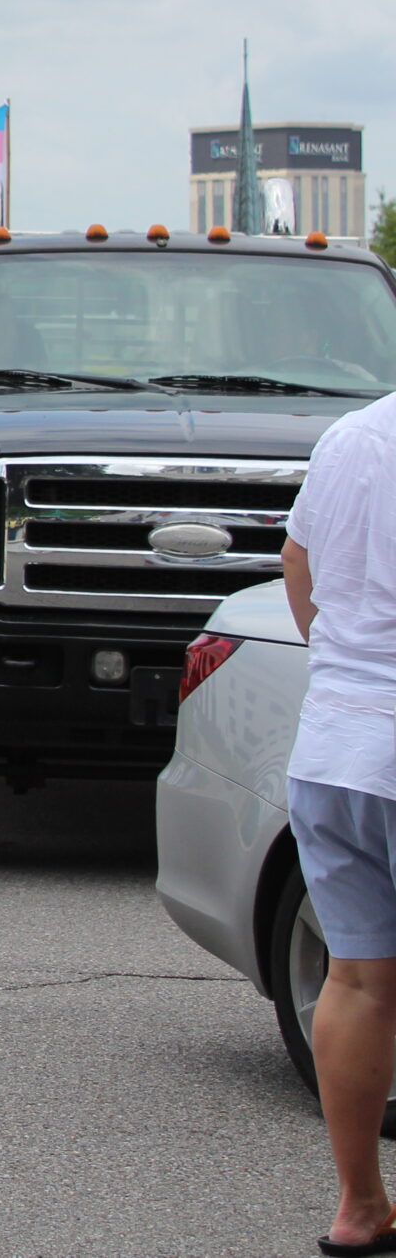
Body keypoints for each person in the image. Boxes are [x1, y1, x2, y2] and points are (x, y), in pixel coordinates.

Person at [281, 388, 396, 1257]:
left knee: (357, 980)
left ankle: (360, 1208)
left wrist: (344, 675)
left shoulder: (353, 433)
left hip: (336, 745)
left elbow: (298, 562)